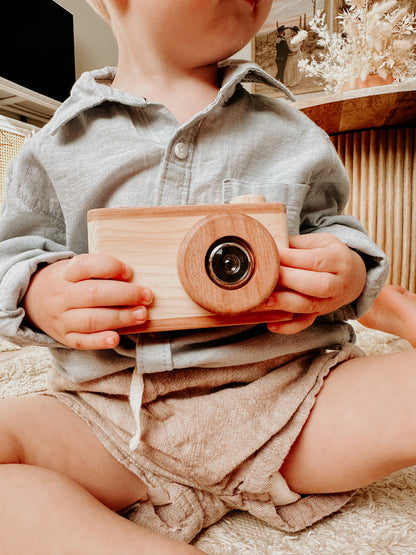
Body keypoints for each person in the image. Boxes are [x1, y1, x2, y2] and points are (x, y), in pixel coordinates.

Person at [0, 0, 415, 553]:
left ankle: (399, 309)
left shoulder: (292, 131)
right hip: (110, 419)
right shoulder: (55, 146)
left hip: (290, 402)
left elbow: (336, 231)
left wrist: (343, 270)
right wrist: (39, 292)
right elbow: (12, 255)